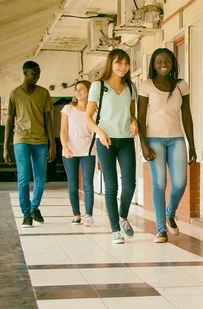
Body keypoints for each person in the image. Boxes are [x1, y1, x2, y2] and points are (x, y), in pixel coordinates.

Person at [137, 48, 197, 243]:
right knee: (160, 183)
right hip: (154, 140)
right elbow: (141, 116)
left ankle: (170, 213)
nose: (163, 64)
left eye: (167, 61)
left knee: (180, 183)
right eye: (159, 61)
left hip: (177, 139)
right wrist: (143, 145)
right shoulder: (146, 86)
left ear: (173, 63)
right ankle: (161, 229)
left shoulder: (181, 85)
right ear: (153, 65)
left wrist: (192, 145)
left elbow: (186, 115)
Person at [86, 49, 138, 244]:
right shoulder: (98, 86)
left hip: (125, 140)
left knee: (130, 184)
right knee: (111, 186)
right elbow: (88, 117)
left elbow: (131, 113)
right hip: (105, 140)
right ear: (111, 63)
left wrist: (134, 122)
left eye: (126, 63)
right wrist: (100, 132)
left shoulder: (131, 87)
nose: (123, 67)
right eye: (119, 63)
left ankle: (123, 216)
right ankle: (115, 229)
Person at [3, 61, 56, 228]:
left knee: (41, 179)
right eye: (34, 74)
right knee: (24, 178)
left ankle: (34, 207)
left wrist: (52, 143)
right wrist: (5, 147)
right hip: (21, 139)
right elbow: (9, 121)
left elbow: (49, 119)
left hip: (40, 140)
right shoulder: (14, 95)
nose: (37, 76)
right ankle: (26, 214)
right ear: (25, 73)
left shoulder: (44, 93)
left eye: (39, 74)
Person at [60, 80, 96, 226]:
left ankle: (88, 214)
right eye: (76, 89)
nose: (78, 91)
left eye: (82, 89)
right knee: (73, 184)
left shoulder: (94, 110)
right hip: (70, 151)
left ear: (89, 91)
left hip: (88, 150)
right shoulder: (68, 109)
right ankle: (76, 214)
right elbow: (63, 130)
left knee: (88, 183)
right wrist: (65, 147)